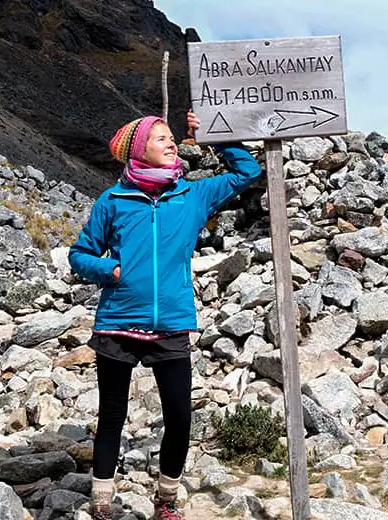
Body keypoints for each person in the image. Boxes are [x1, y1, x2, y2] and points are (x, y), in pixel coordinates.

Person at [68, 112, 261, 520]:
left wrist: (214, 136)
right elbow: (79, 255)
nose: (171, 143)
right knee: (112, 416)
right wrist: (109, 271)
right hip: (118, 322)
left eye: (172, 137)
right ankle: (101, 503)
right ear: (140, 151)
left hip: (171, 322)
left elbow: (248, 171)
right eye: (161, 139)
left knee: (178, 416)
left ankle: (166, 501)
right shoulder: (113, 201)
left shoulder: (192, 195)